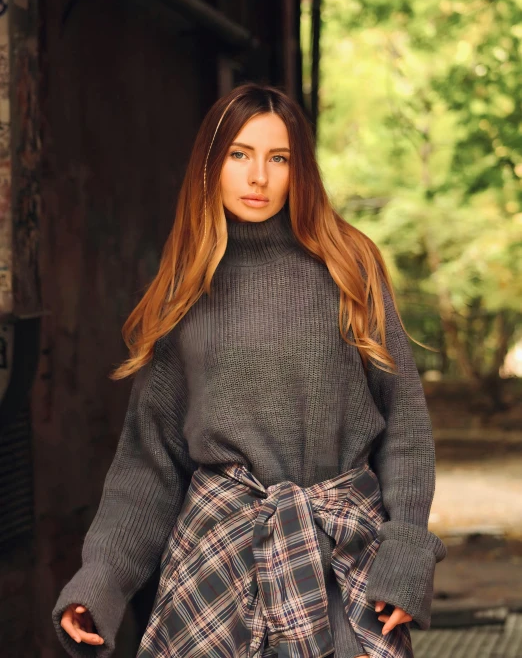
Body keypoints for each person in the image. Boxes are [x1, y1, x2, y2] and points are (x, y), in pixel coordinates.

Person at [52, 83, 447, 658]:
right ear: (211, 166)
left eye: (278, 158)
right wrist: (100, 582)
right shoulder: (185, 288)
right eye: (240, 154)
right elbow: (148, 462)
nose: (258, 176)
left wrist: (406, 553)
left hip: (342, 558)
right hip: (216, 559)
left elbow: (405, 425)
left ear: (299, 169)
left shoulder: (349, 265)